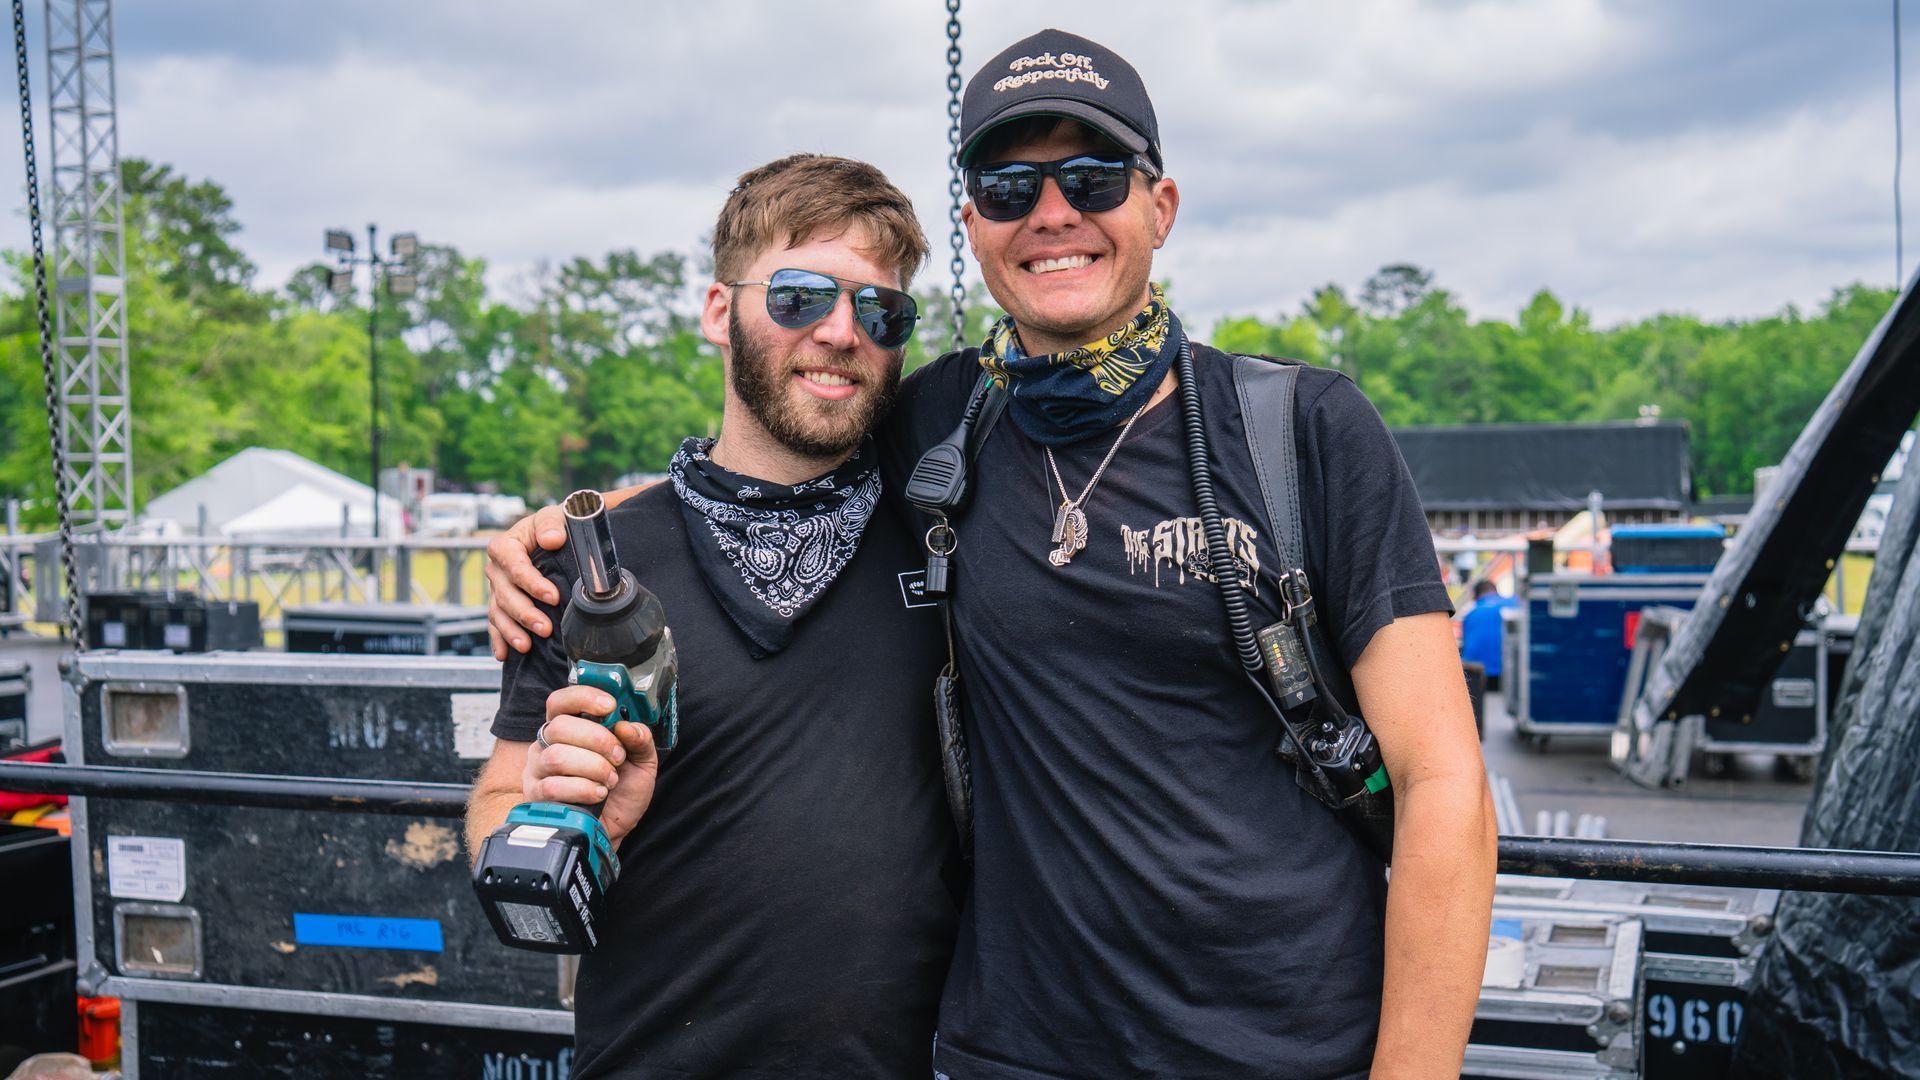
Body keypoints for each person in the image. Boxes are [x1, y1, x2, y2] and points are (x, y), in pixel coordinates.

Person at [488, 30, 1496, 1079]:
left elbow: (1445, 786)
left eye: (1095, 177)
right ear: (976, 225)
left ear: (1160, 207)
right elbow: (773, 444)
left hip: (1288, 1050)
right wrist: (557, 533)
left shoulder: (1304, 431)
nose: (1053, 213)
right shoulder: (935, 421)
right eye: (1011, 186)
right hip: (1012, 1053)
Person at [462, 153, 960, 1078]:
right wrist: (557, 814)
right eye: (802, 296)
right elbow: (495, 810)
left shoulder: (953, 538)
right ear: (719, 311)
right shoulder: (583, 563)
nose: (843, 333)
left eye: (881, 310)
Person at [1460, 578, 1517, 691]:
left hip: (1476, 675)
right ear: (1495, 591)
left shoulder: (1470, 614)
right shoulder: (1514, 603)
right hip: (1508, 674)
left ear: (1476, 596)